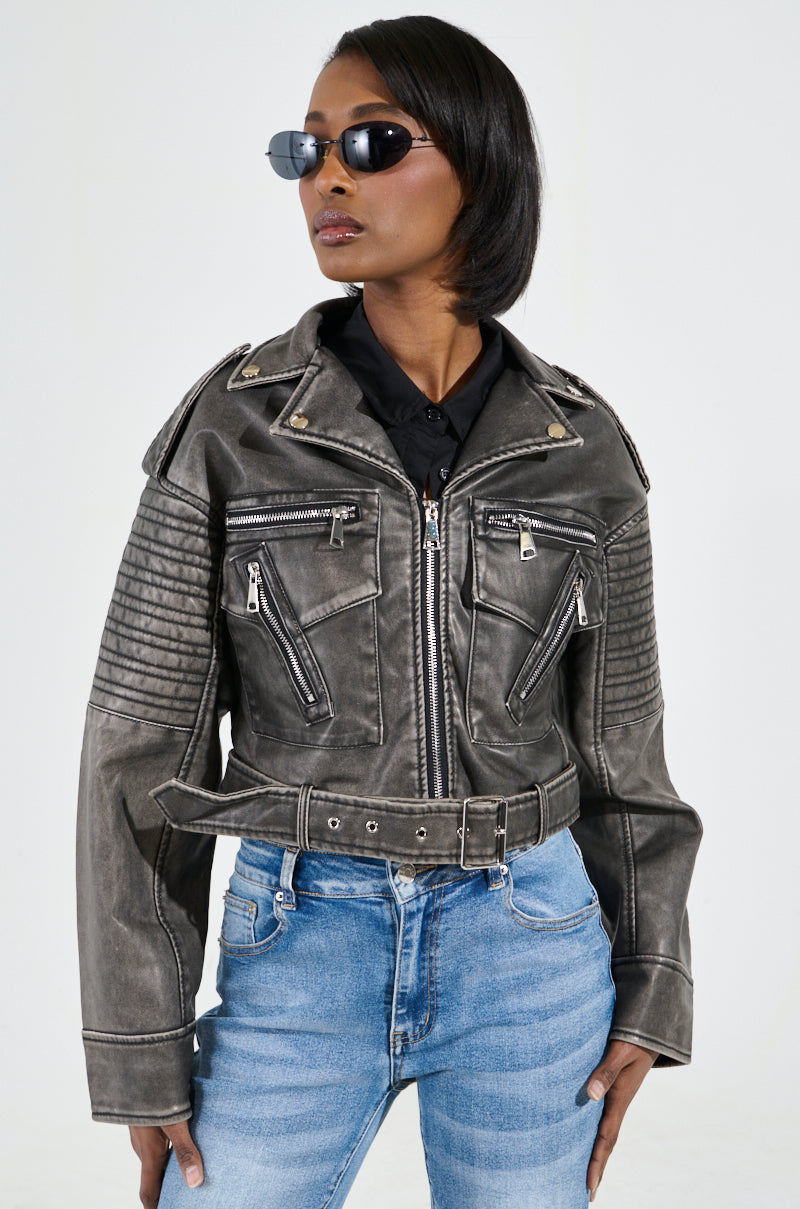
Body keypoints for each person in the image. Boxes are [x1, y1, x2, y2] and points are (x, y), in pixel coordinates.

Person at [77, 15, 701, 1209]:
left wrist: (650, 987)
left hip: (533, 953)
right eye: (303, 148)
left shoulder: (581, 450)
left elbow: (625, 760)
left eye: (368, 142)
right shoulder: (231, 428)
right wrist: (138, 1048)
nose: (326, 177)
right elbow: (137, 754)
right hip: (298, 944)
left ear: (480, 163)